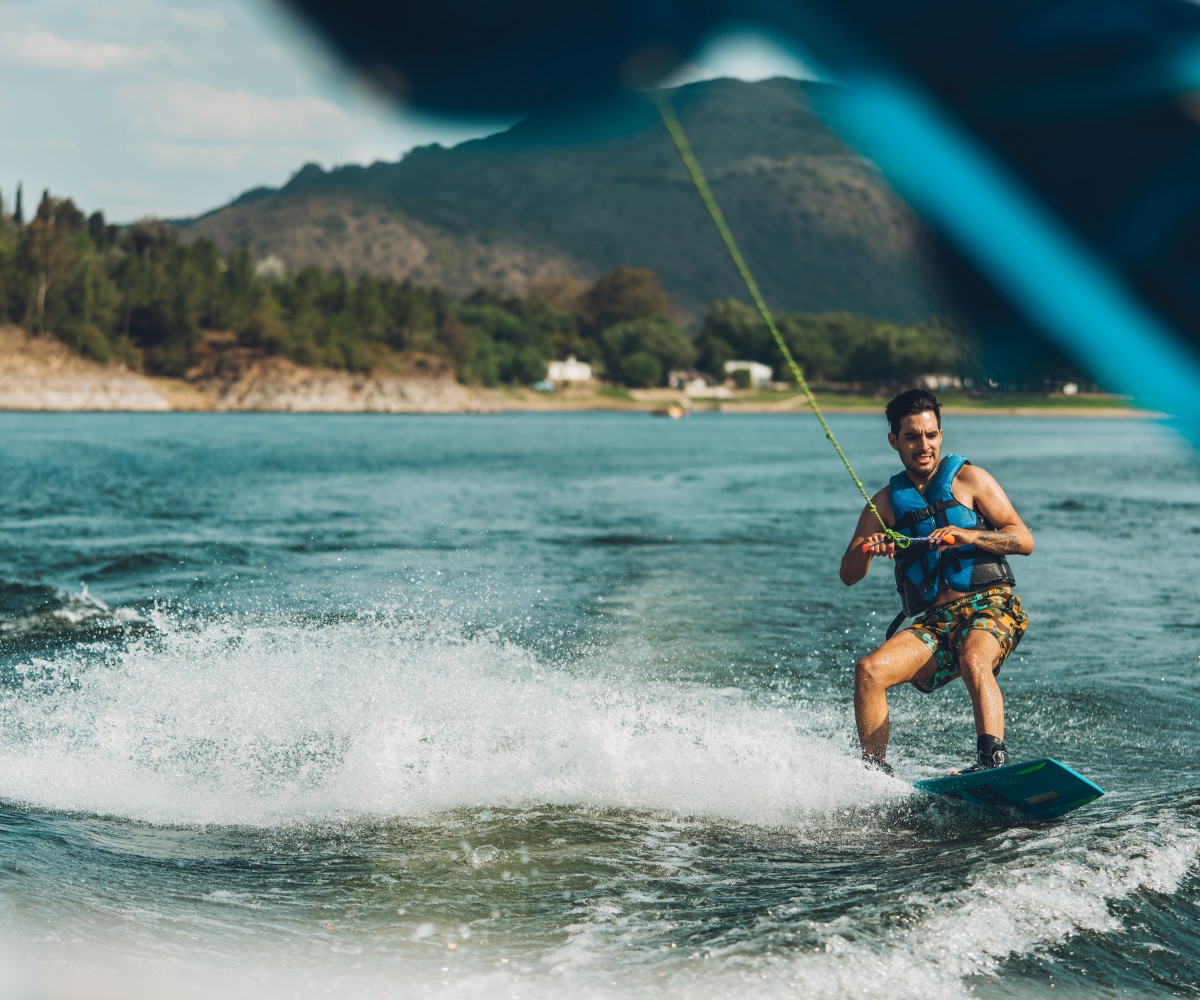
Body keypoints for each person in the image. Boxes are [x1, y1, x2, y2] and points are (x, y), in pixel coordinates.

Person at [839, 388, 1034, 776]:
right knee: (869, 671)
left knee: (973, 657)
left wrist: (969, 535)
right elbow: (848, 575)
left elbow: (1023, 539)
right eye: (912, 437)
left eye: (930, 435)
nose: (923, 445)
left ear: (940, 435)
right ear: (894, 440)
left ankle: (991, 761)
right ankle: (874, 775)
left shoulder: (971, 480)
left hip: (992, 606)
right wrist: (869, 549)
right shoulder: (885, 504)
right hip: (936, 622)